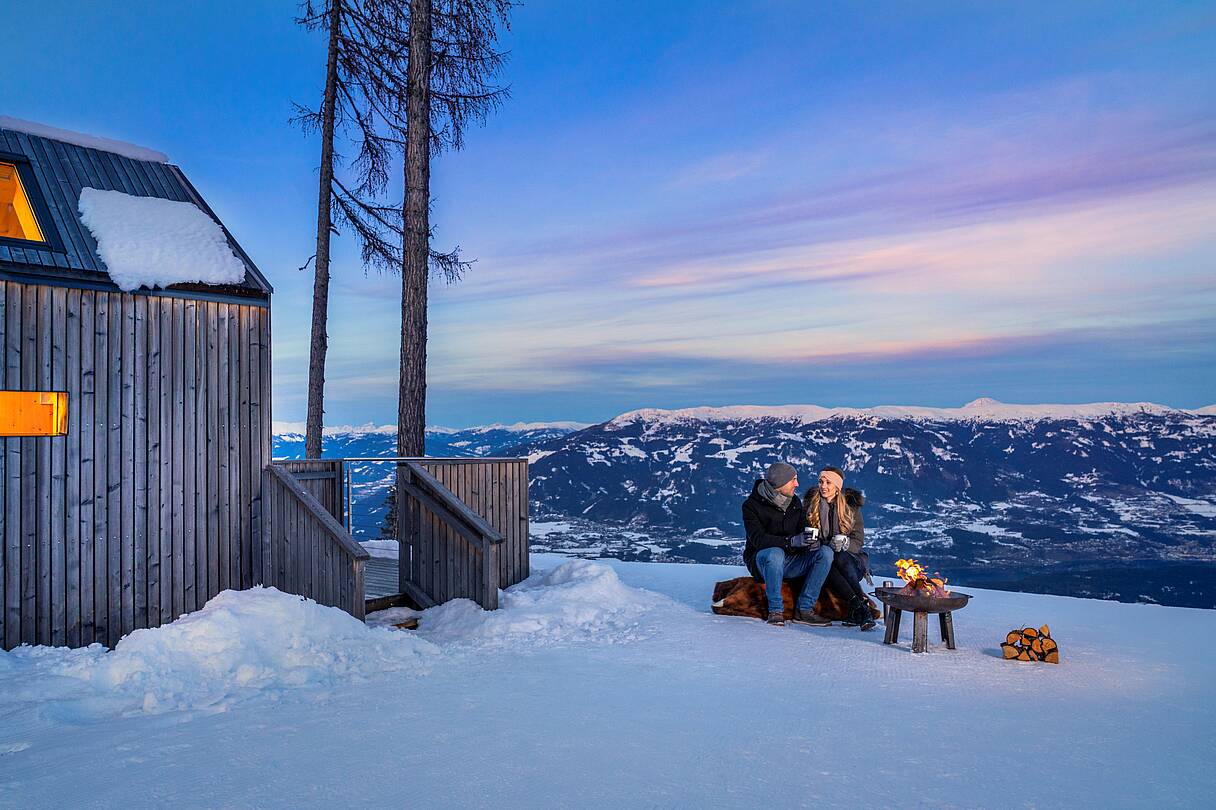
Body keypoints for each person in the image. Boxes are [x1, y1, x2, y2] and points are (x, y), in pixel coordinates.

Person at [742, 462, 835, 626]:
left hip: (791, 561)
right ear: (780, 483)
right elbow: (758, 539)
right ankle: (776, 611)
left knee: (825, 552)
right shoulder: (751, 506)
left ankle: (805, 610)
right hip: (763, 562)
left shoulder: (794, 502)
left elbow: (802, 529)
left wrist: (810, 541)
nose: (797, 484)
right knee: (775, 553)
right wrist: (791, 541)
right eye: (793, 480)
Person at [805, 465, 876, 631]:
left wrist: (845, 543)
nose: (823, 486)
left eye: (828, 482)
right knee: (828, 557)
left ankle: (858, 607)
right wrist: (812, 542)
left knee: (839, 557)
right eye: (821, 481)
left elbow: (858, 541)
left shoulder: (851, 507)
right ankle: (860, 607)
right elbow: (806, 534)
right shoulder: (811, 506)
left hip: (850, 563)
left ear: (837, 487)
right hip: (824, 562)